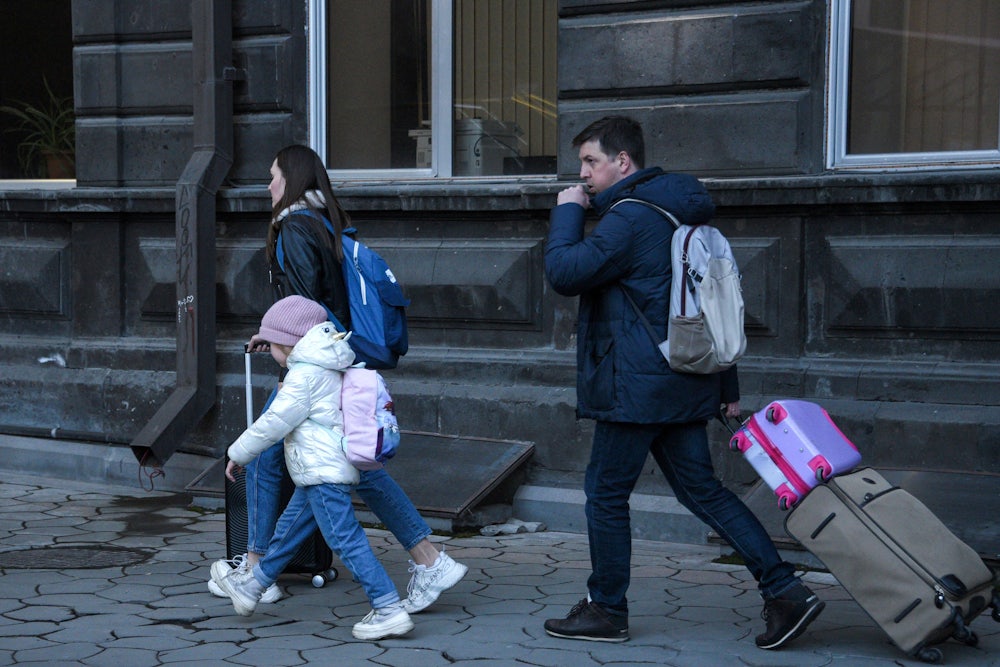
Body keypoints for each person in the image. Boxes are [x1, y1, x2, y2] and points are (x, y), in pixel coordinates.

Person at [541, 116, 824, 649]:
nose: (583, 173)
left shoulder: (629, 218)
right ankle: (786, 591)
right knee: (704, 491)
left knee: (605, 494)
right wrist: (725, 384)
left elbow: (565, 272)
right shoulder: (679, 211)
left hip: (639, 389)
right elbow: (714, 304)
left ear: (623, 162)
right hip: (685, 377)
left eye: (590, 162)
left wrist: (567, 214)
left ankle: (606, 609)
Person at [209, 144, 467, 613]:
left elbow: (307, 311)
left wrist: (287, 351)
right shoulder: (325, 221)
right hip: (337, 358)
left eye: (273, 175)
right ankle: (428, 558)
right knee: (353, 463)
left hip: (315, 365)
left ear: (292, 177)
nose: (268, 185)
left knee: (275, 456)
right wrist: (272, 335)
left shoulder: (292, 226)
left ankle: (257, 570)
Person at [213, 295, 412, 640]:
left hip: (323, 474)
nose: (272, 352)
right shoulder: (329, 363)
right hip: (322, 469)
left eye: (274, 344)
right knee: (288, 532)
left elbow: (272, 422)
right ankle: (252, 588)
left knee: (346, 540)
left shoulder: (302, 377)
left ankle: (388, 608)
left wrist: (238, 452)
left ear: (288, 345)